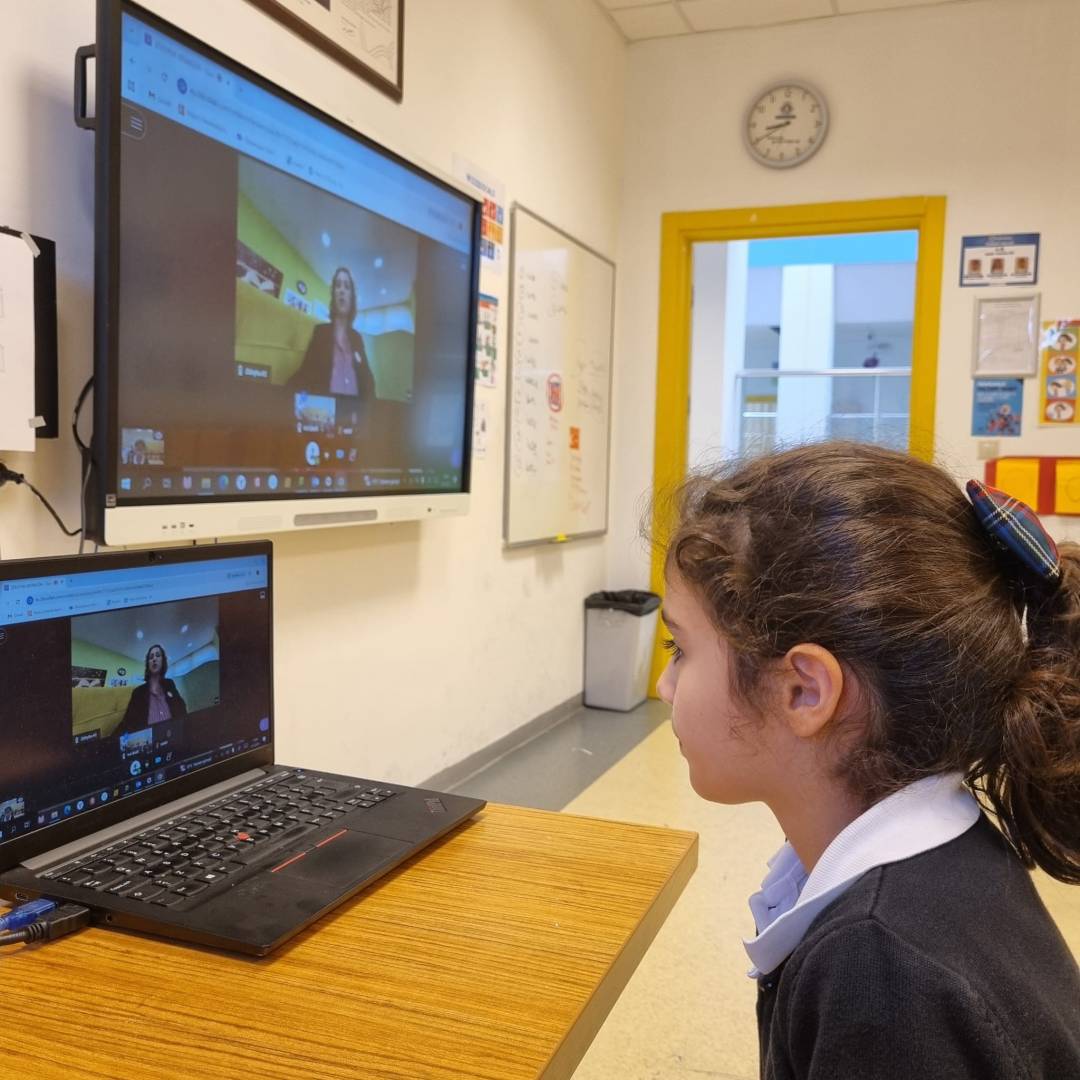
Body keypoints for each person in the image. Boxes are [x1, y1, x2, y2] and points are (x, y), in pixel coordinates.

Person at [655, 441, 1080, 1079]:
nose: (665, 686)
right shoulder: (929, 866)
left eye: (680, 649)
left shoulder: (882, 975)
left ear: (804, 691)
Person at [287, 266, 376, 402]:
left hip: (354, 410)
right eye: (338, 286)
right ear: (333, 295)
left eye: (347, 287)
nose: (342, 290)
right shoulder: (320, 332)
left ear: (352, 298)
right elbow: (304, 374)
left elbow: (368, 381)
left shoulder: (357, 338)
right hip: (327, 410)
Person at [117, 644, 187, 735]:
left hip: (175, 735)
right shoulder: (138, 692)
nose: (154, 659)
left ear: (163, 661)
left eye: (158, 655)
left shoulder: (170, 684)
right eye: (151, 657)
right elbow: (127, 723)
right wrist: (109, 741)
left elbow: (182, 709)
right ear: (148, 664)